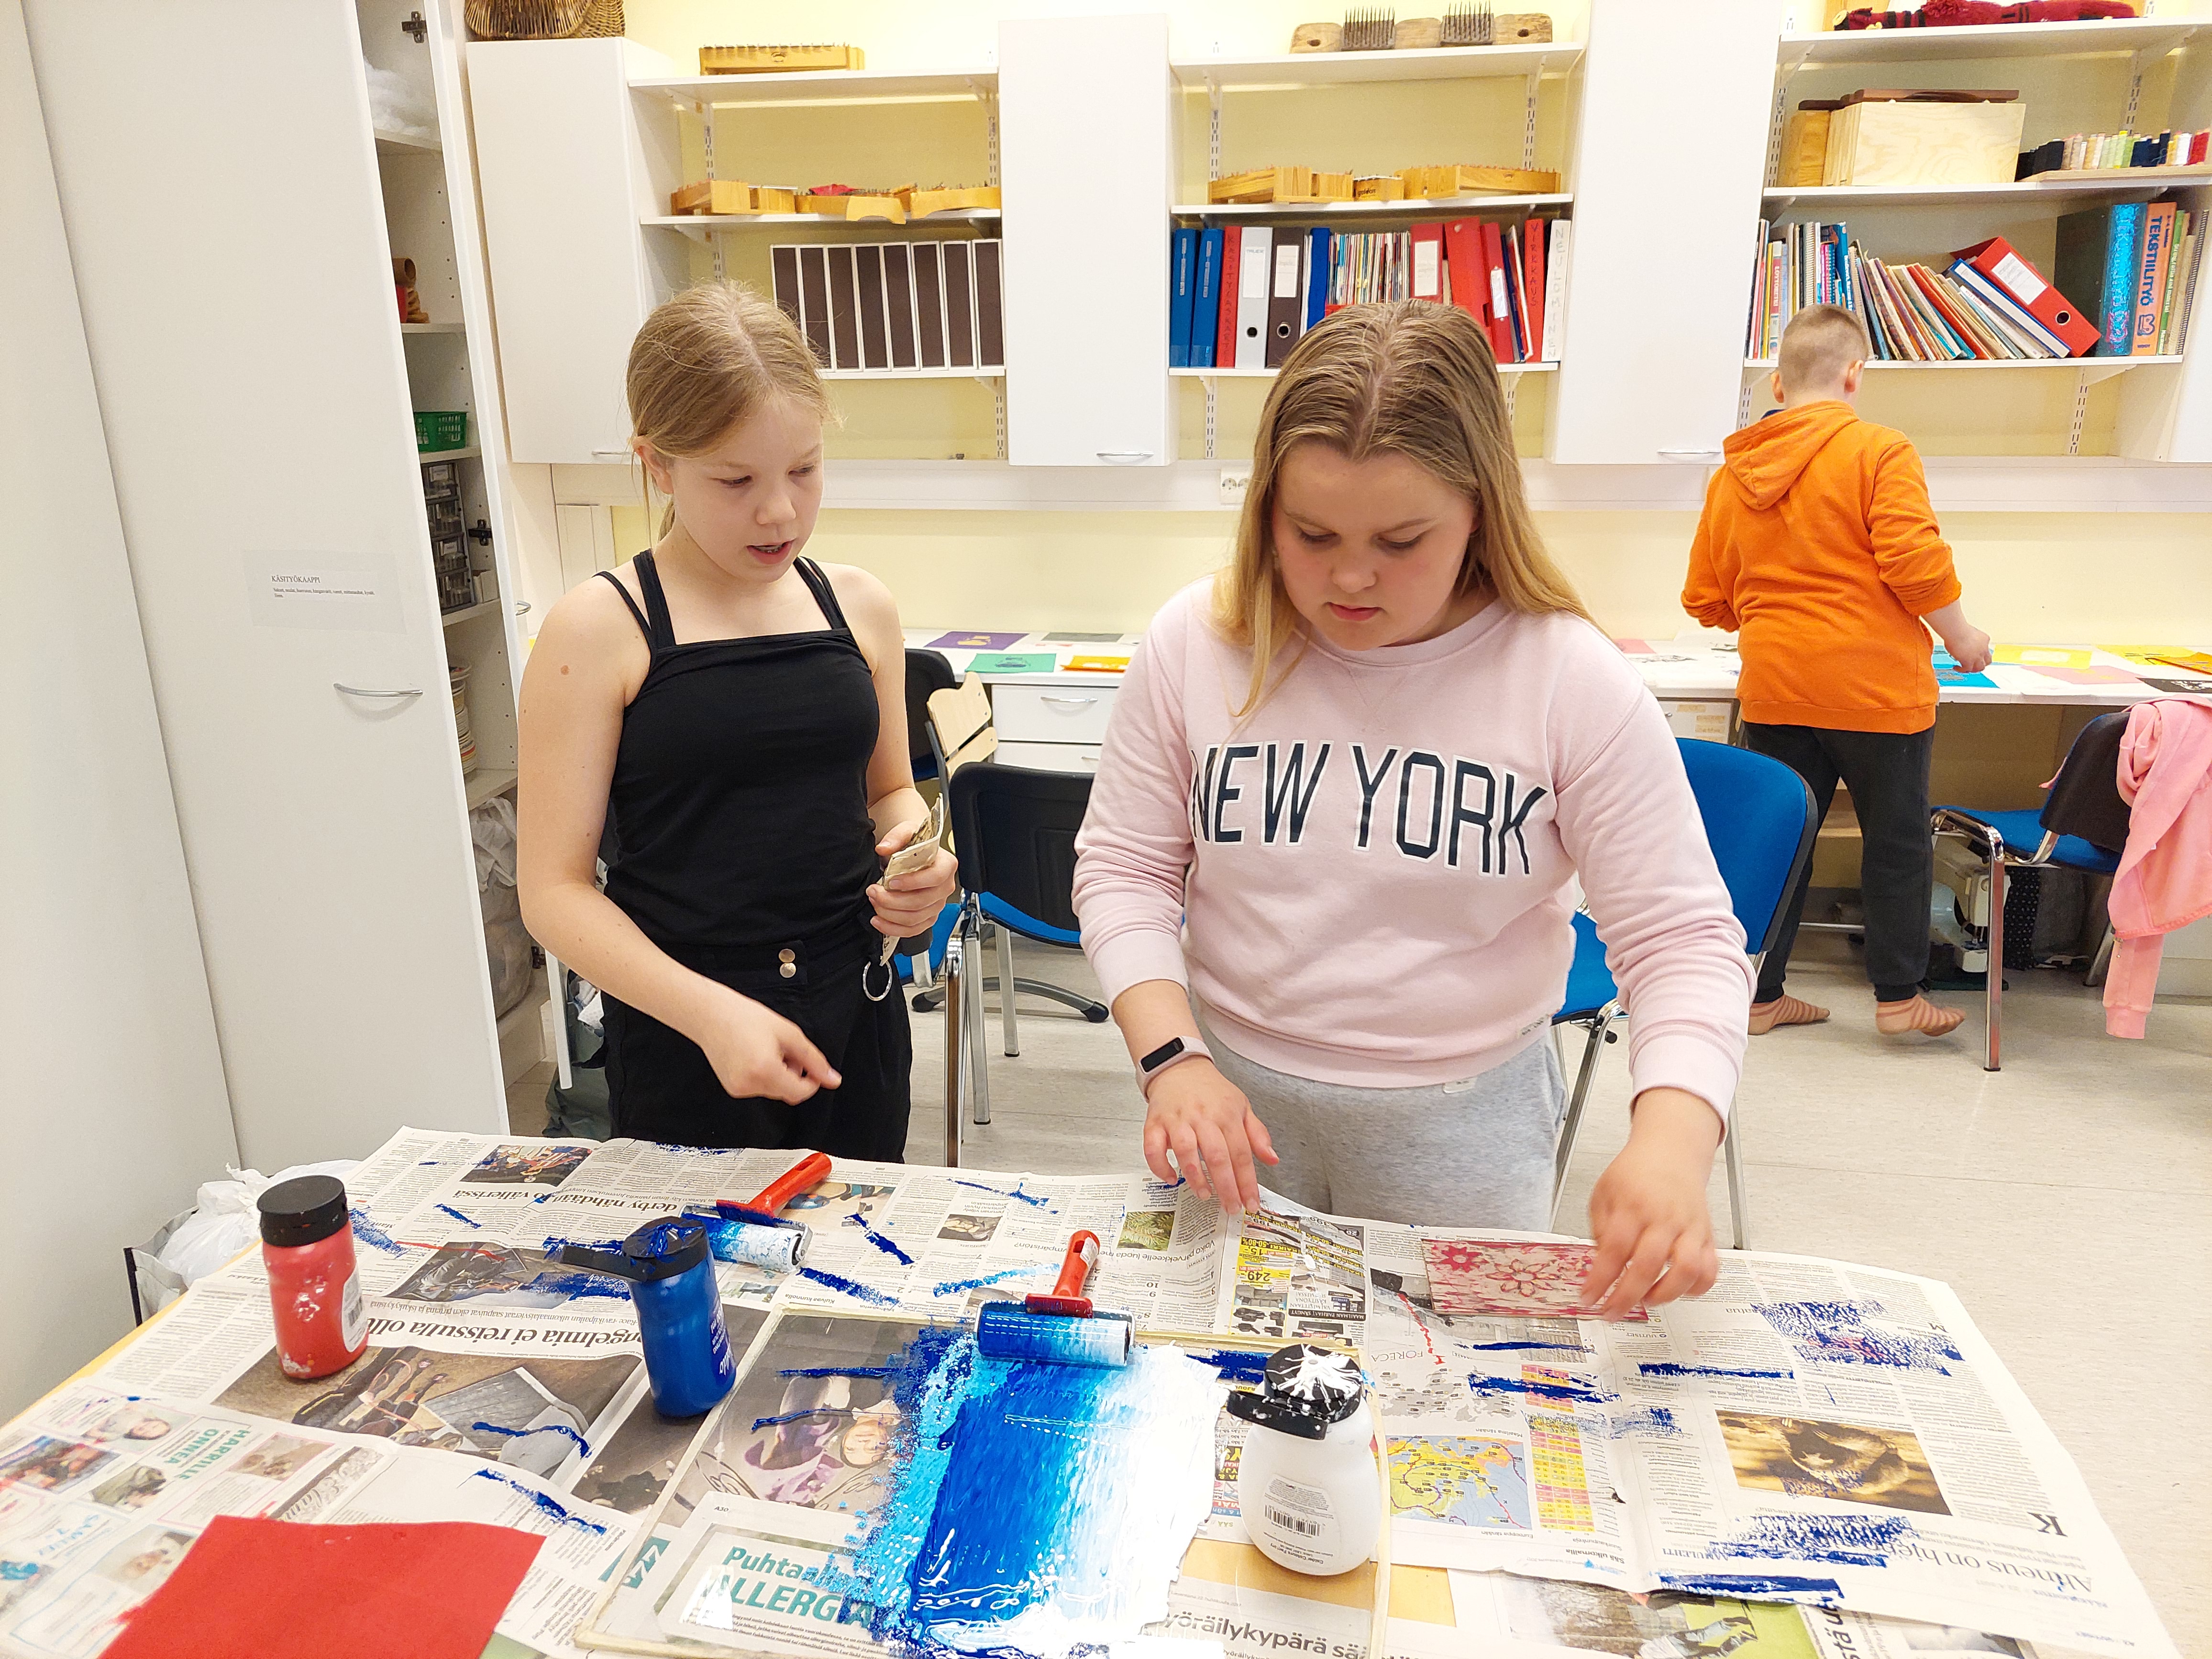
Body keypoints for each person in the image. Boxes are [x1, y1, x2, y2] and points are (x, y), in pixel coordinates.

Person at [1071, 300, 1755, 1318]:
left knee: (1444, 1396)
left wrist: (1670, 1139)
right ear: (1265, 510)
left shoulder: (1566, 677)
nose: (1351, 576)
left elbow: (1681, 940)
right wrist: (1171, 1060)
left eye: (1401, 540)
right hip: (1227, 1103)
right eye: (1311, 535)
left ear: (1479, 510)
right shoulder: (1196, 642)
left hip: (1463, 1131)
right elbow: (1123, 869)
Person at [518, 283, 958, 1153]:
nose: (780, 510)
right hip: (686, 1034)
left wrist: (920, 862)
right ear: (657, 464)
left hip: (858, 1012)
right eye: (736, 480)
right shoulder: (598, 629)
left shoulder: (859, 606)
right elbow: (553, 893)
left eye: (804, 469)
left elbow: (890, 793)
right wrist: (711, 1015)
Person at [1682, 304, 1992, 1041]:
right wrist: (1963, 638)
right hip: (1875, 691)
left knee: (1781, 842)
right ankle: (1899, 998)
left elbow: (1705, 599)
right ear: (1854, 374)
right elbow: (1915, 564)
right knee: (1896, 842)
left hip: (1775, 689)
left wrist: (1776, 618)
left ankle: (1759, 996)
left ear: (1779, 384)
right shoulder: (1879, 450)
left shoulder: (1732, 474)